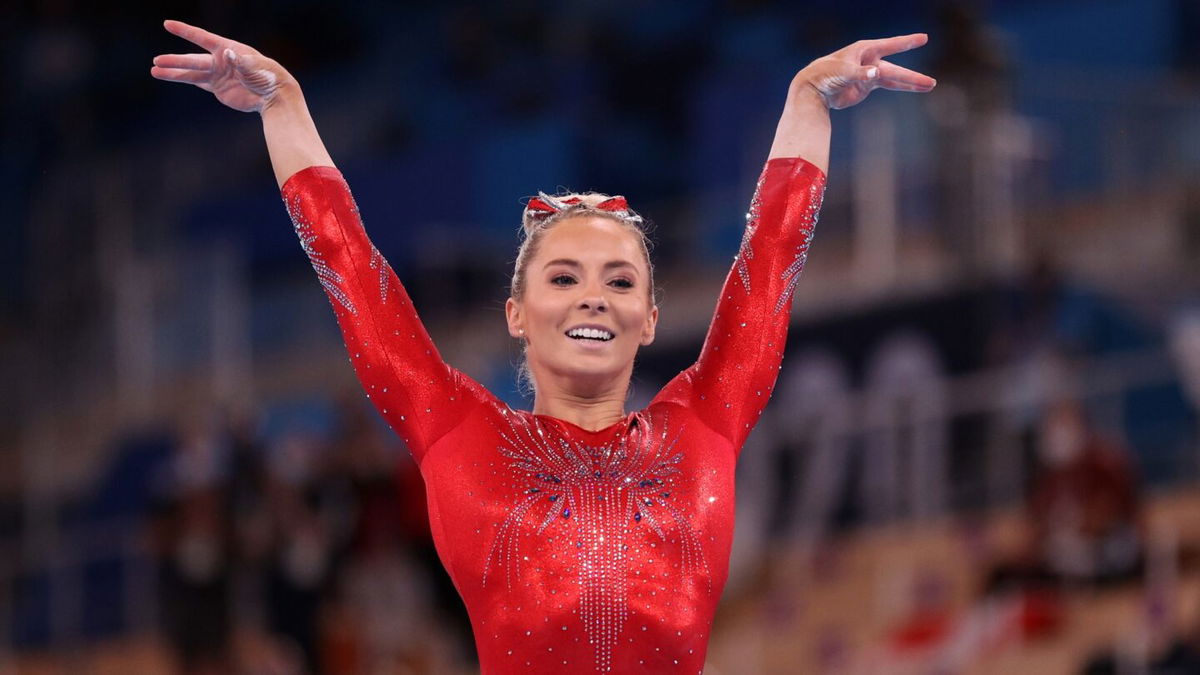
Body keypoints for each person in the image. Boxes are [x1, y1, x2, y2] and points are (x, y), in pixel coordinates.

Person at [152, 20, 935, 673]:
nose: (594, 295)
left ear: (652, 318)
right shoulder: (462, 433)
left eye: (620, 282)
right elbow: (352, 270)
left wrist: (809, 101)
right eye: (564, 277)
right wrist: (282, 107)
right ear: (517, 314)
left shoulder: (705, 420)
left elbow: (769, 262)